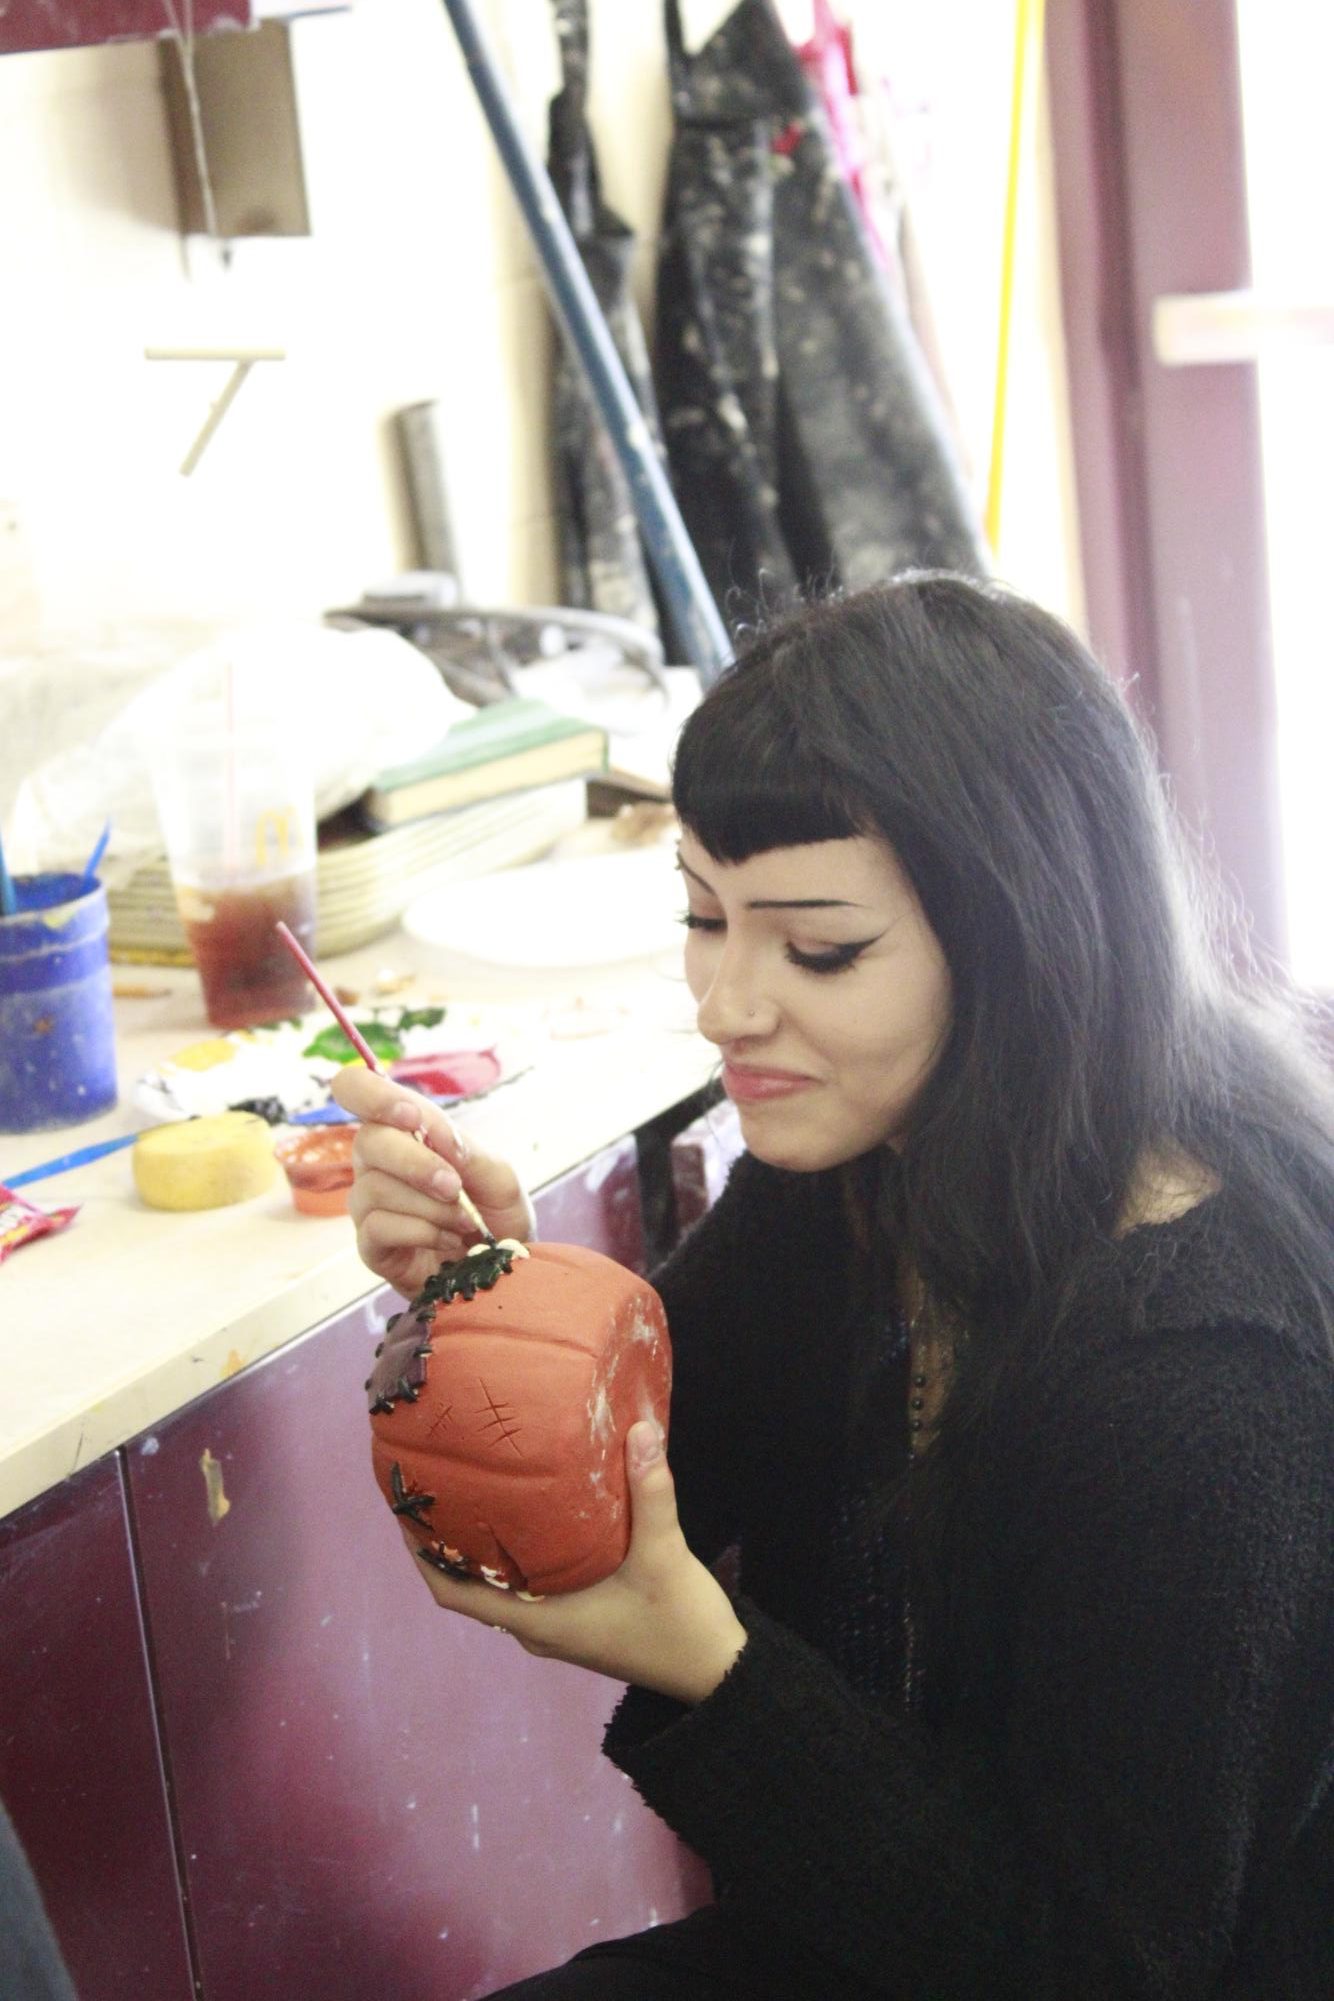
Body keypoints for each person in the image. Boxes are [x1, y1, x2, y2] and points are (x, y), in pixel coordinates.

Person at [333, 574, 1334, 1999]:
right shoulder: (859, 1161)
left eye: (817, 947)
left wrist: (719, 1670)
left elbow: (1101, 1961)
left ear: (1018, 936)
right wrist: (495, 1316)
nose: (726, 1003)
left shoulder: (1205, 1381)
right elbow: (645, 1476)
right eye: (701, 915)